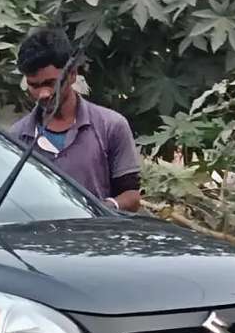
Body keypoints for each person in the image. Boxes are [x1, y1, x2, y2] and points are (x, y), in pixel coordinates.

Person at [8, 27, 142, 213]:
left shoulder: (111, 126)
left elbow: (132, 197)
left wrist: (102, 209)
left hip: (95, 237)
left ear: (72, 74)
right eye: (34, 86)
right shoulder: (16, 137)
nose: (43, 94)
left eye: (50, 83)